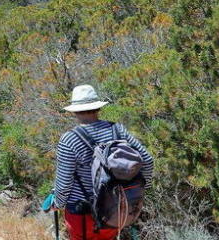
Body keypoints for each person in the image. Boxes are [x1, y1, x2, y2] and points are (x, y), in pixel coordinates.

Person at [54, 85, 154, 240]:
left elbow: (65, 182)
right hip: (113, 210)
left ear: (74, 110)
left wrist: (58, 203)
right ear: (97, 108)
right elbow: (147, 159)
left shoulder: (69, 139)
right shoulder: (117, 129)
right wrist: (140, 190)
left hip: (82, 213)